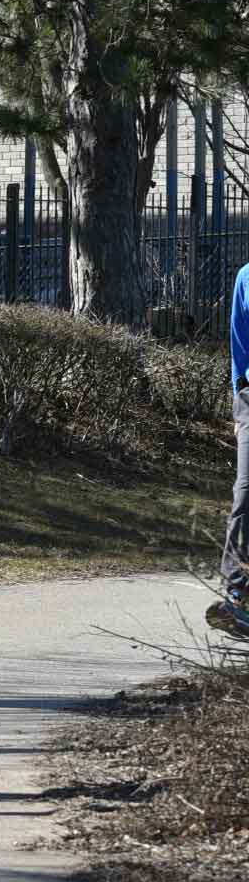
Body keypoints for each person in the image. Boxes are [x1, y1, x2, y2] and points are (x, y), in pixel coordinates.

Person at [206, 259, 249, 638]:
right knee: (246, 492)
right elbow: (239, 343)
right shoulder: (246, 277)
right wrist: (239, 397)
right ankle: (238, 591)